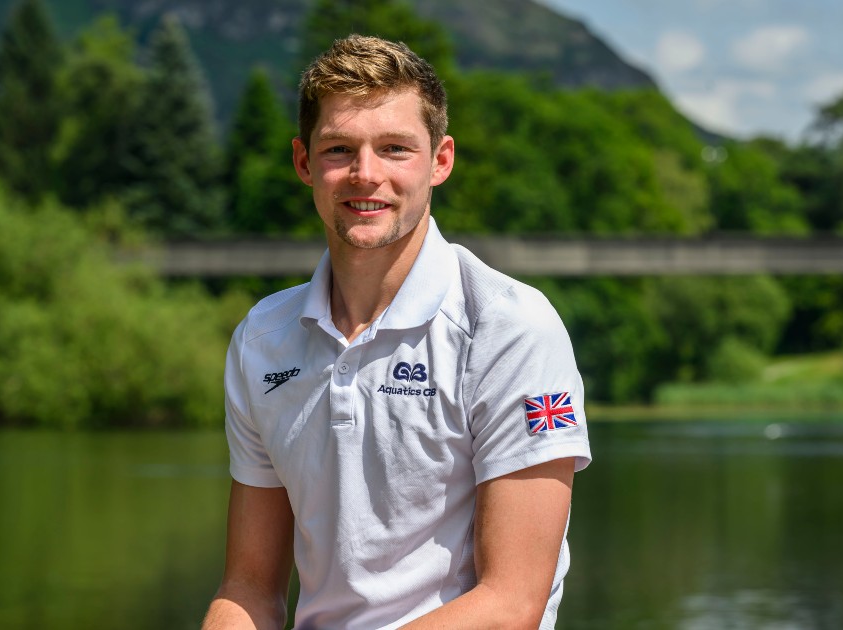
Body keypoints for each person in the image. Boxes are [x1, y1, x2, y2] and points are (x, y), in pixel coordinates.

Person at [203, 34, 592, 630]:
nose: (366, 174)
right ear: (304, 163)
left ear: (440, 161)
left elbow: (512, 605)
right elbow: (250, 589)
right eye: (339, 149)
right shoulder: (262, 340)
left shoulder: (509, 327)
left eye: (394, 149)